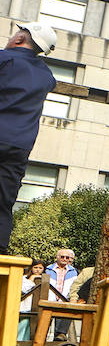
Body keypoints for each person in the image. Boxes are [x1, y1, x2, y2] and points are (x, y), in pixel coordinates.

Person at [0, 23, 58, 253]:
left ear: (19, 39)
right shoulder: (46, 75)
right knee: (4, 200)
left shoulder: (4, 58)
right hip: (19, 146)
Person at [45, 248, 80, 340]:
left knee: (60, 332)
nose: (65, 259)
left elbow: (75, 286)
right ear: (57, 257)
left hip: (65, 300)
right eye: (62, 257)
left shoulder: (74, 272)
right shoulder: (48, 269)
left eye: (67, 257)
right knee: (44, 326)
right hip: (49, 300)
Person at [17, 261, 45, 342]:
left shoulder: (46, 279)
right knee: (23, 324)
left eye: (40, 268)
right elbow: (23, 289)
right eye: (35, 267)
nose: (37, 270)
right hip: (24, 307)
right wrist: (31, 280)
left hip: (37, 308)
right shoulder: (24, 278)